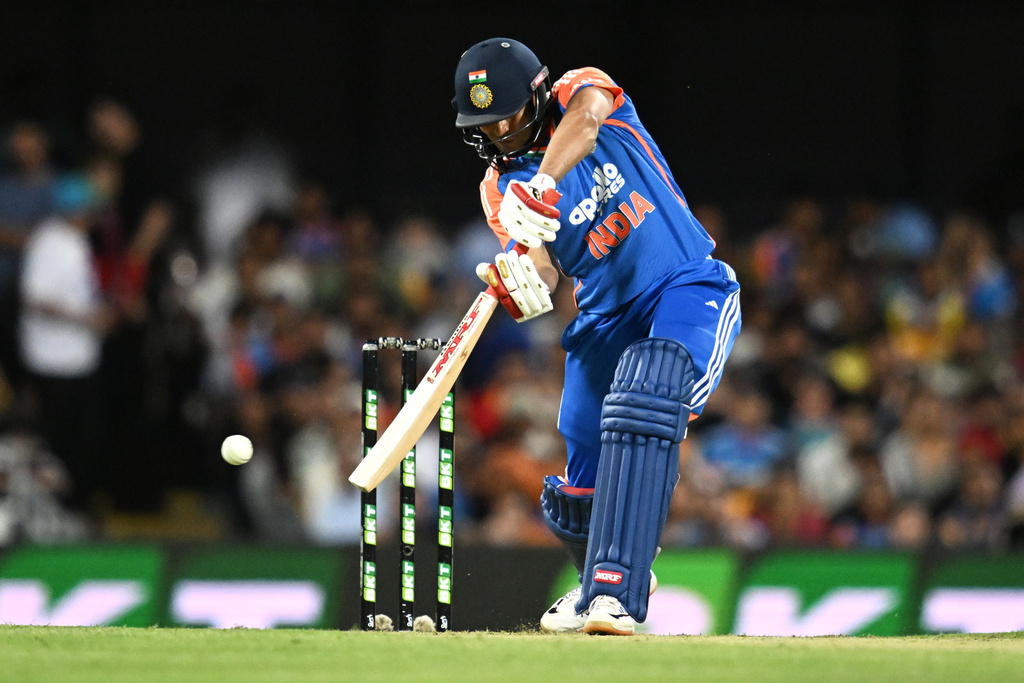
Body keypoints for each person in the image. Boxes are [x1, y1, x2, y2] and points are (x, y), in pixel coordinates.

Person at [452, 38, 742, 635]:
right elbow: (542, 266)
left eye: (507, 115)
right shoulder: (496, 189)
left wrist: (545, 185)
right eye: (487, 124)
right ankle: (594, 584)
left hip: (686, 286)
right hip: (601, 321)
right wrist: (516, 281)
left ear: (537, 95)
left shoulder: (579, 91)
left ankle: (618, 590)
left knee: (648, 394)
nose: (501, 133)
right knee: (576, 488)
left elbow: (585, 121)